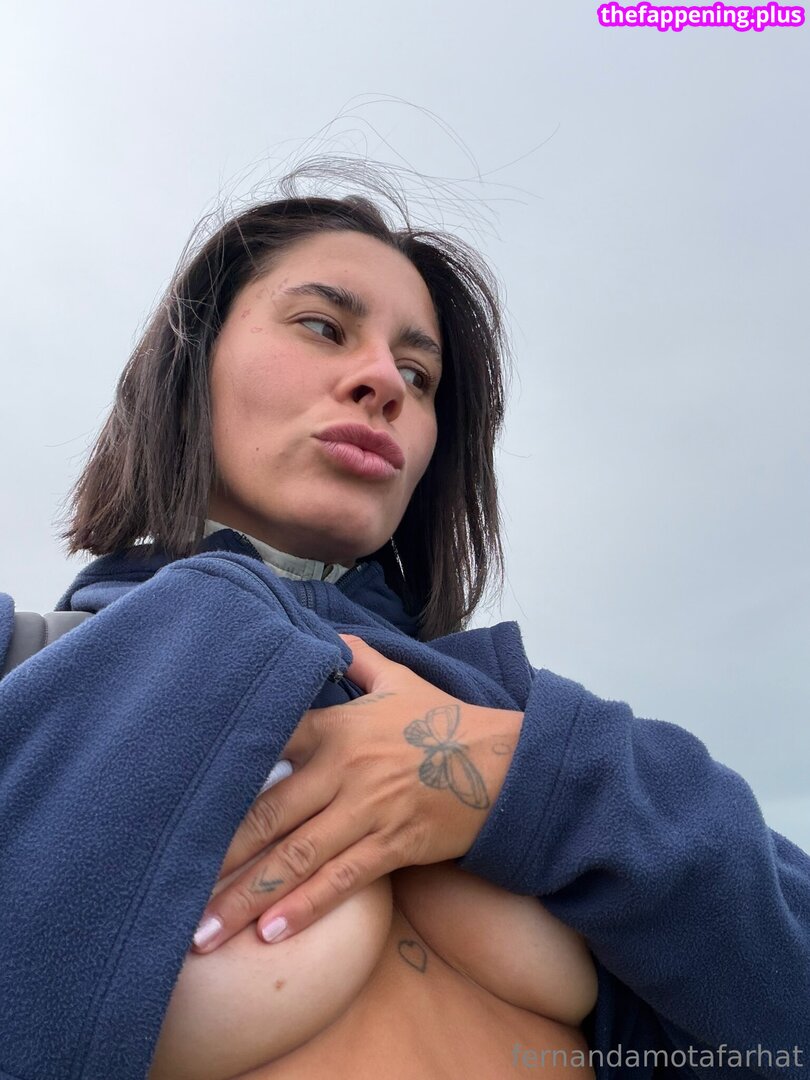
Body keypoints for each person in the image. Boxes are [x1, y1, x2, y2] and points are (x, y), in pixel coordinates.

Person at [0, 162, 807, 1080]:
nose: (383, 378)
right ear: (192, 363)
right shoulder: (31, 674)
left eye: (419, 375)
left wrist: (521, 780)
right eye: (322, 326)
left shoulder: (513, 711)